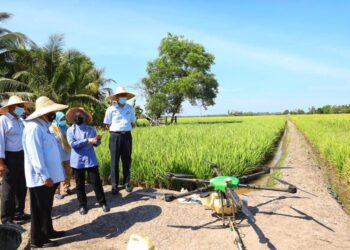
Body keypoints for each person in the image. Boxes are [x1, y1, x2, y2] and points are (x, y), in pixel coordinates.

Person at [22, 96, 67, 248]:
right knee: (39, 208)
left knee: (47, 206)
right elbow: (35, 155)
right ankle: (37, 240)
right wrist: (44, 175)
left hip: (51, 177)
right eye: (51, 111)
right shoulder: (33, 128)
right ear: (43, 112)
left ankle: (48, 231)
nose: (54, 113)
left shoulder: (44, 126)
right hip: (41, 178)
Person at [66, 107, 109, 215]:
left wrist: (96, 141)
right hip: (77, 160)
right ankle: (82, 205)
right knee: (79, 185)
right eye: (76, 115)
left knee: (96, 182)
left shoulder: (91, 129)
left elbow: (97, 144)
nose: (78, 117)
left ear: (85, 117)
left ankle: (102, 202)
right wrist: (87, 140)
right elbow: (73, 144)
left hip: (90, 159)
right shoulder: (70, 130)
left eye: (80, 115)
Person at [0, 96, 32, 225]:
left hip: (22, 155)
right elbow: (0, 142)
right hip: (9, 157)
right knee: (8, 188)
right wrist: (1, 163)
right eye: (20, 106)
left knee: (21, 186)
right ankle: (6, 217)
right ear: (12, 107)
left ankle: (19, 212)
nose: (22, 108)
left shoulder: (20, 121)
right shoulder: (3, 120)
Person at [103, 86, 136, 195]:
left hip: (127, 136)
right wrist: (115, 132)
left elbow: (132, 122)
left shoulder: (130, 108)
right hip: (115, 136)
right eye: (121, 96)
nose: (123, 97)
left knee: (127, 160)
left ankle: (126, 183)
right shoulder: (110, 109)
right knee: (114, 161)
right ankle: (114, 185)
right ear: (116, 97)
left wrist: (125, 130)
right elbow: (107, 124)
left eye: (124, 96)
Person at [50, 112, 72, 199]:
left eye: (64, 118)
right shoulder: (53, 128)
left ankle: (66, 187)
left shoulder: (67, 128)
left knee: (68, 171)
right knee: (57, 172)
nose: (63, 120)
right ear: (57, 119)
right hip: (57, 153)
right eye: (61, 119)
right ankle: (56, 191)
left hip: (67, 152)